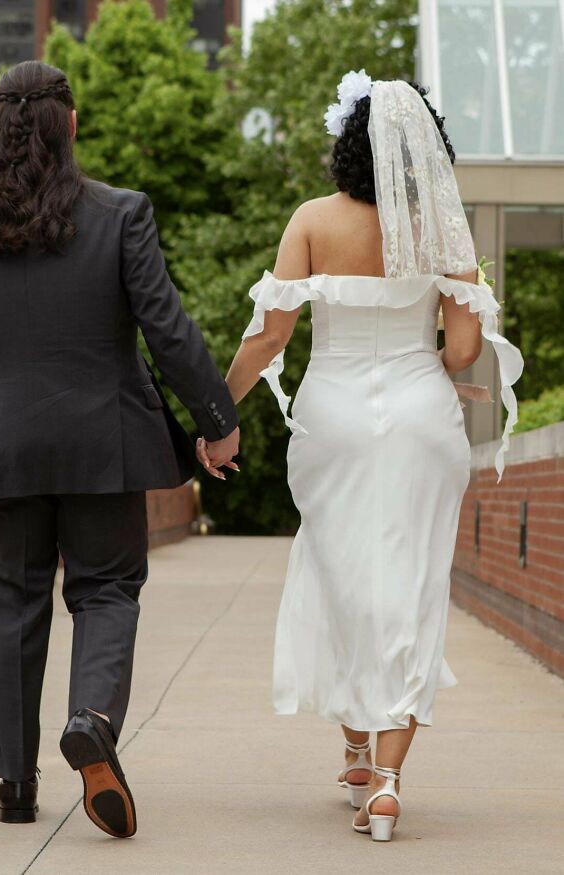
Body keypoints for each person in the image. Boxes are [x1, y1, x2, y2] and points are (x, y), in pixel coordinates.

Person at [0, 60, 239, 837]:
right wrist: (215, 419)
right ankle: (90, 716)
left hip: (0, 453)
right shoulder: (122, 214)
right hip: (103, 445)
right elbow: (168, 327)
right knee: (107, 590)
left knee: (10, 604)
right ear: (72, 124)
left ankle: (16, 782)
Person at [200, 72, 523, 842]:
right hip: (420, 419)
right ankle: (383, 781)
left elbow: (270, 336)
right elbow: (463, 351)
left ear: (349, 141)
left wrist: (217, 414)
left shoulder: (311, 219)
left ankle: (351, 744)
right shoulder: (445, 233)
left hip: (333, 417)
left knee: (342, 573)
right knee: (409, 581)